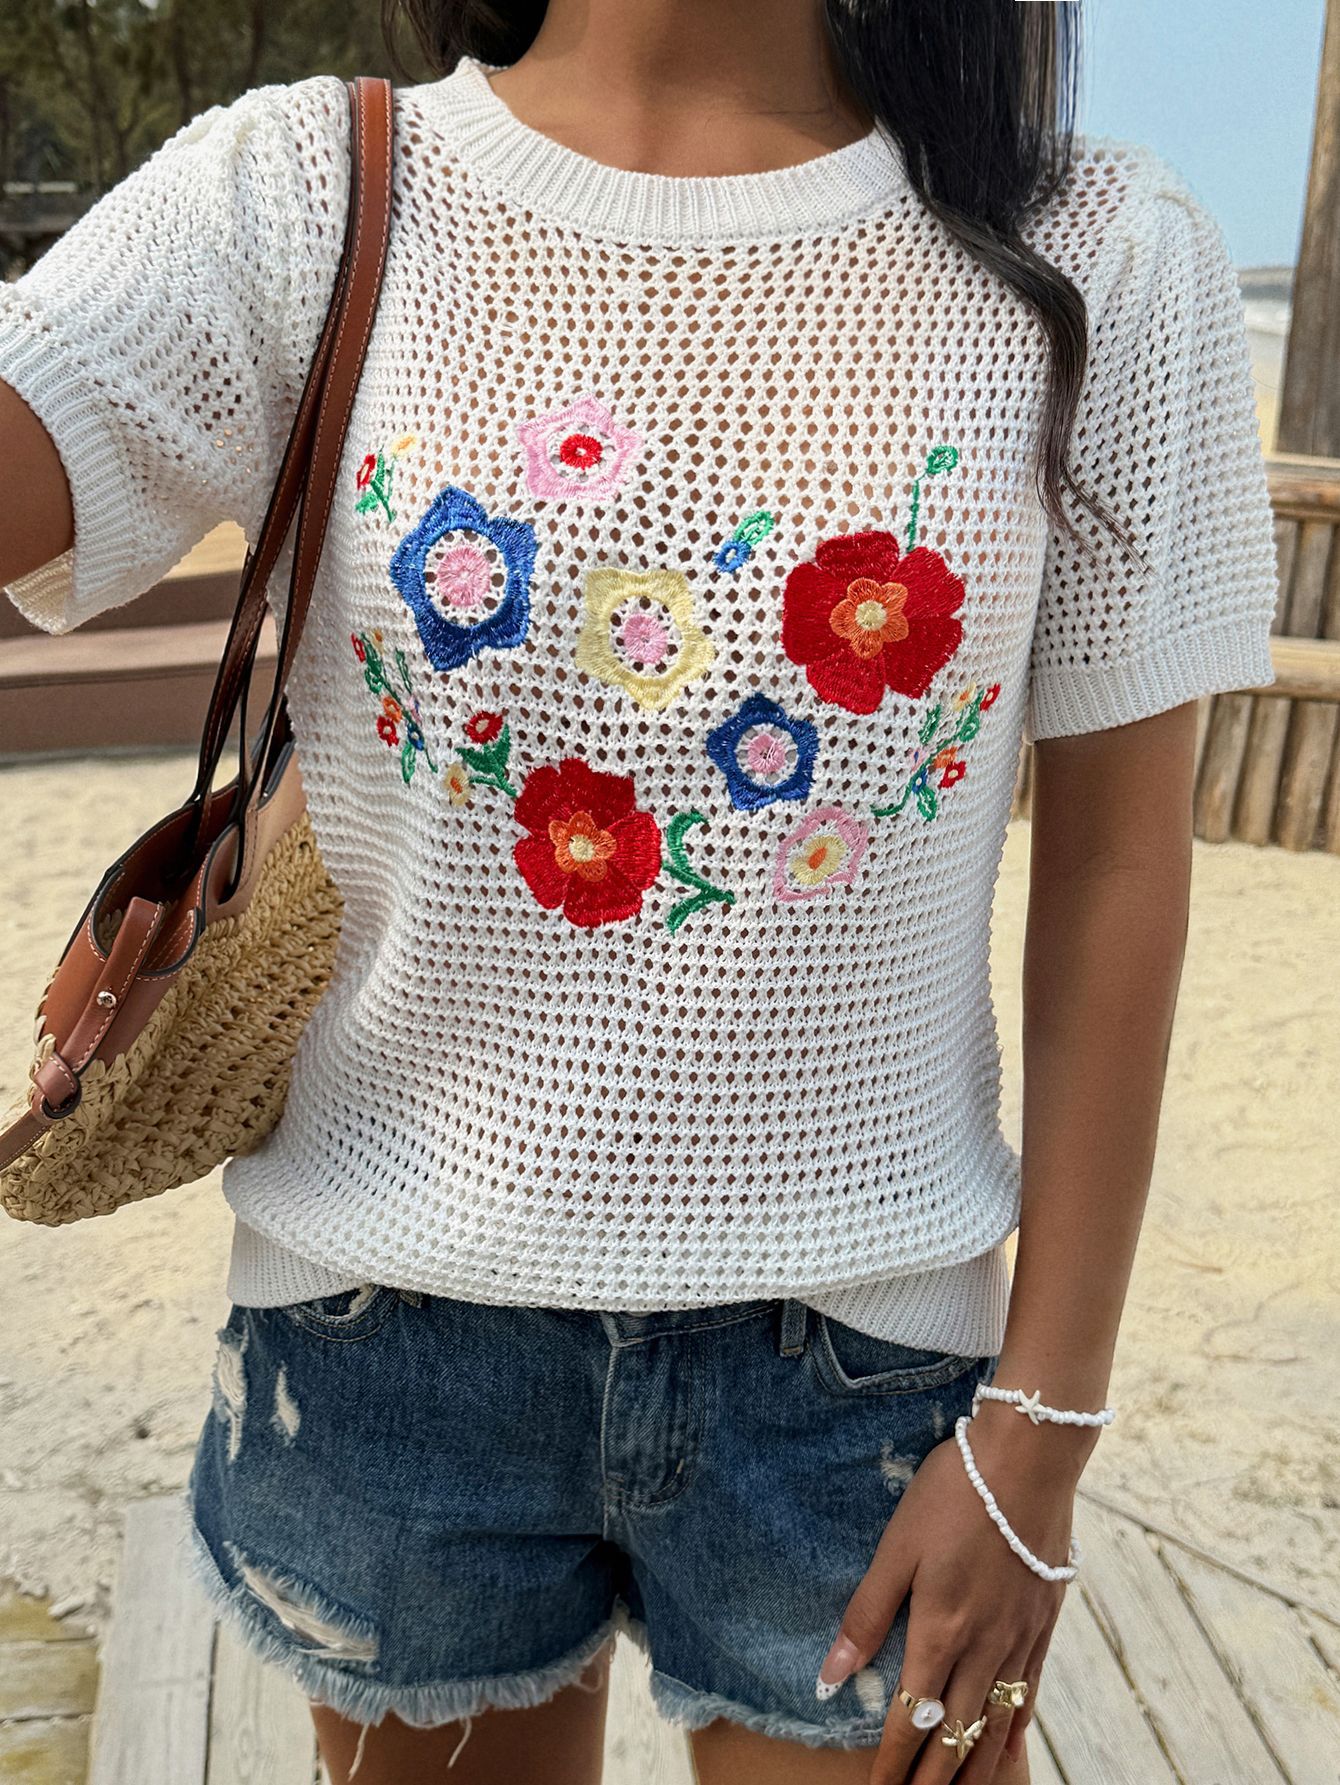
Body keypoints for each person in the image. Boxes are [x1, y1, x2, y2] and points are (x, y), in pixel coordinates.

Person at [0, 1, 1279, 1781]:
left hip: (861, 1372)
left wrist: (1042, 1431)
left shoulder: (1097, 255)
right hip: (388, 1336)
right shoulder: (306, 197)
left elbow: (1122, 861)